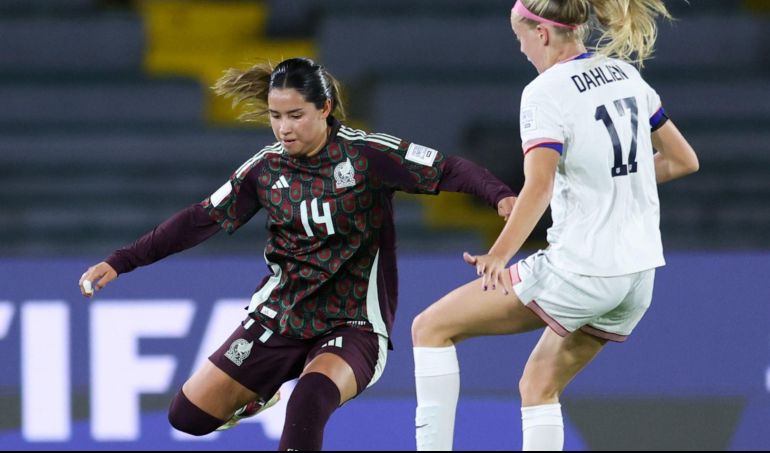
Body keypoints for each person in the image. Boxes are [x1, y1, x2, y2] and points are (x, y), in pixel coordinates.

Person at [78, 57, 517, 450]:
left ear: (324, 109)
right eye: (274, 116)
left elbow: (449, 169)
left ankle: (291, 387)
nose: (283, 128)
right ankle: (261, 394)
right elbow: (199, 219)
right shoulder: (266, 168)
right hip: (280, 318)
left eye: (295, 115)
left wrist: (499, 197)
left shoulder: (366, 156)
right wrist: (122, 260)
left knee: (308, 398)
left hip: (354, 324)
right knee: (187, 417)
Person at [411, 0, 699, 451]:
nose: (521, 49)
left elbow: (538, 185)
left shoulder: (545, 92)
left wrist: (500, 254)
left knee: (431, 327)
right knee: (539, 386)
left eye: (519, 38)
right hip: (638, 276)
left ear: (540, 33)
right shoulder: (626, 74)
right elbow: (682, 160)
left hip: (582, 269)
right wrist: (607, 184)